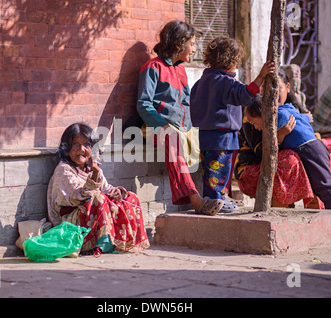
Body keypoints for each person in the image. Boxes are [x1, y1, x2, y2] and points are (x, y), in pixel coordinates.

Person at [136, 20, 224, 216]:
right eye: (192, 44)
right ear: (179, 43)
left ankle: (216, 194)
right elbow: (143, 104)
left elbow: (186, 104)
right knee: (173, 139)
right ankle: (196, 200)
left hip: (182, 126)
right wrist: (163, 126)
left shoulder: (181, 70)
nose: (194, 49)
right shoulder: (152, 67)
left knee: (211, 139)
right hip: (156, 126)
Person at [243, 69, 331, 212]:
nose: (272, 94)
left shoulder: (277, 115)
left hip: (309, 150)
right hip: (262, 165)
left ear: (288, 87)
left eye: (277, 88)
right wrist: (280, 135)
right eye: (266, 89)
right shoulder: (280, 111)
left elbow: (303, 127)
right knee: (321, 184)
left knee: (324, 185)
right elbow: (262, 151)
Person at [189, 35, 275, 212]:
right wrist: (260, 77)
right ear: (231, 61)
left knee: (210, 171)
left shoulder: (200, 82)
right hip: (223, 137)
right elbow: (245, 95)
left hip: (204, 135)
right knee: (220, 171)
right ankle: (216, 201)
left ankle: (215, 199)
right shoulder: (226, 83)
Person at [47, 123, 150, 255]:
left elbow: (106, 189)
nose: (81, 149)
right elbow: (78, 197)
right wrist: (95, 176)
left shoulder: (92, 168)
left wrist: (117, 193)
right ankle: (100, 243)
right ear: (66, 148)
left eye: (86, 144)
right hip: (69, 222)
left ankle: (122, 241)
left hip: (89, 213)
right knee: (98, 199)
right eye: (75, 144)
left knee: (130, 197)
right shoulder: (64, 169)